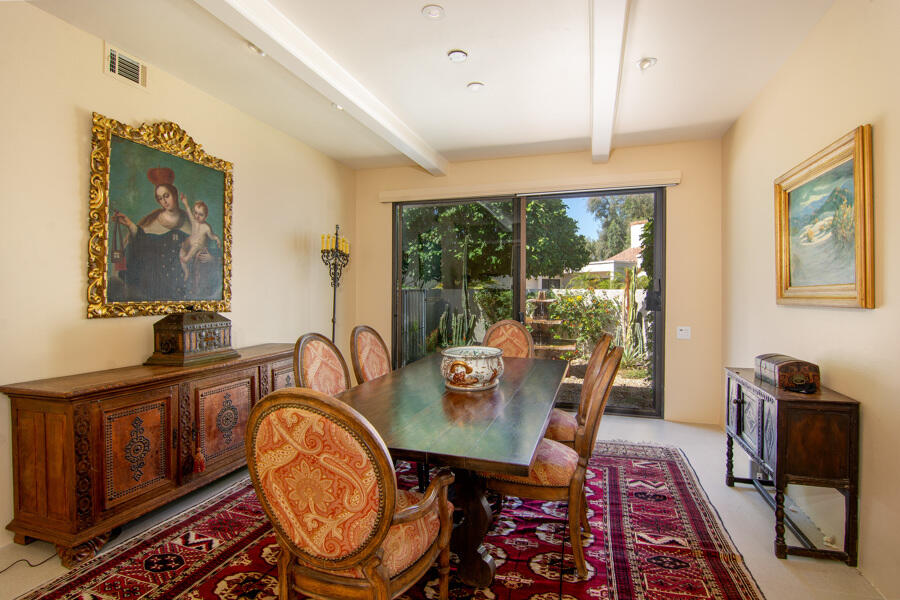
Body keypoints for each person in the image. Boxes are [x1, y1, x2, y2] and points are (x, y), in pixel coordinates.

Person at [111, 167, 217, 301]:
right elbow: (144, 243)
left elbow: (203, 245)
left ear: (174, 195)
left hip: (183, 284)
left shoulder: (191, 221)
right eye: (160, 198)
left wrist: (210, 257)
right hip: (157, 282)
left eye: (166, 196)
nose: (164, 201)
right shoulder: (152, 220)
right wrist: (130, 224)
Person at [179, 196, 221, 282]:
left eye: (200, 215)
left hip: (199, 246)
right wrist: (185, 202)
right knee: (183, 248)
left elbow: (212, 236)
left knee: (196, 244)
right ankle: (186, 271)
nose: (197, 216)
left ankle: (187, 258)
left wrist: (217, 239)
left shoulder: (206, 227)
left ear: (205, 216)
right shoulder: (194, 221)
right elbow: (188, 211)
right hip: (191, 241)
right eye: (196, 213)